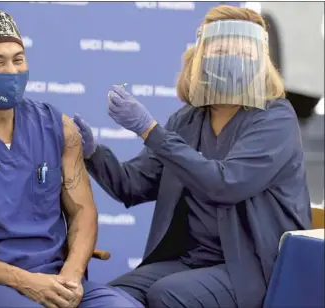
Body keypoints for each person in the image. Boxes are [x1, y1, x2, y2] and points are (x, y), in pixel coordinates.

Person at [73, 5, 312, 308]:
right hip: (190, 261)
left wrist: (149, 130)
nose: (231, 60)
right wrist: (93, 152)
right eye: (221, 50)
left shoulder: (275, 119)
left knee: (167, 295)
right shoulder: (187, 120)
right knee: (108, 297)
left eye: (244, 53)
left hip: (250, 268)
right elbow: (132, 185)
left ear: (261, 62)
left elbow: (225, 184)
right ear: (201, 58)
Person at [0, 10, 141, 308]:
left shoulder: (57, 126)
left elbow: (83, 211)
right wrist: (25, 282)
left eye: (18, 59)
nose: (12, 71)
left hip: (57, 278)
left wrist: (71, 276)